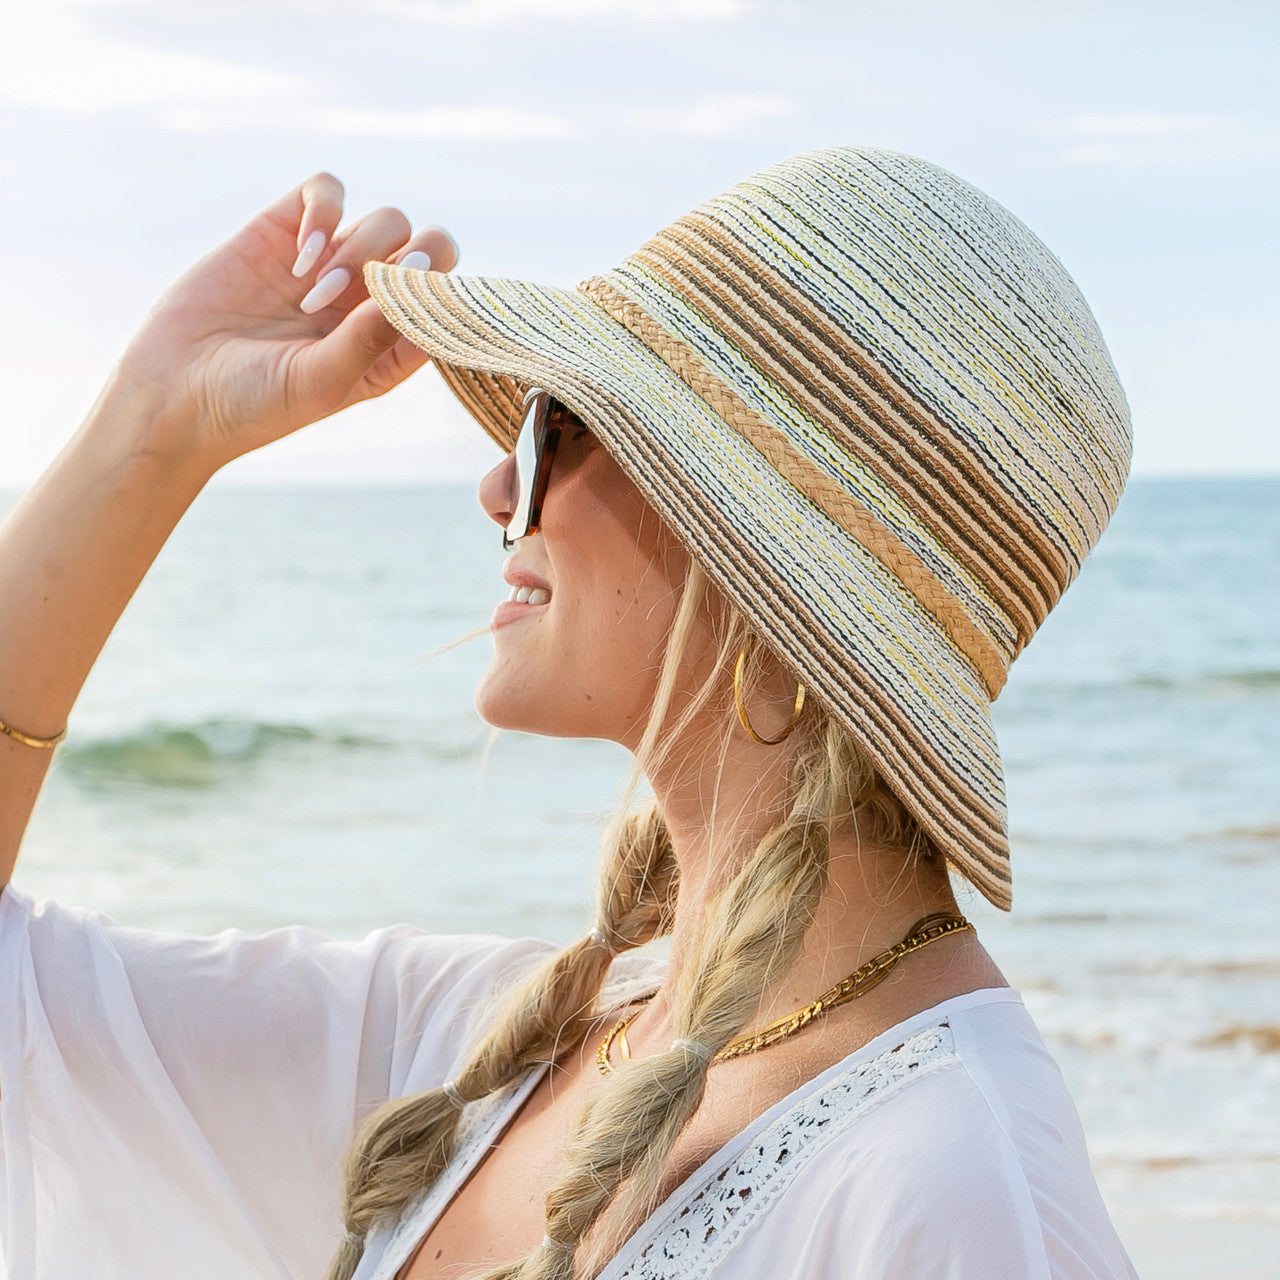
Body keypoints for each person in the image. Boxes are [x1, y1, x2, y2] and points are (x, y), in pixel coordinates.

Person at [0, 147, 1139, 1280]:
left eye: (559, 423)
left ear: (750, 543)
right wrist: (149, 434)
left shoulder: (953, 1189)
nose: (501, 486)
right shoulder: (467, 1055)